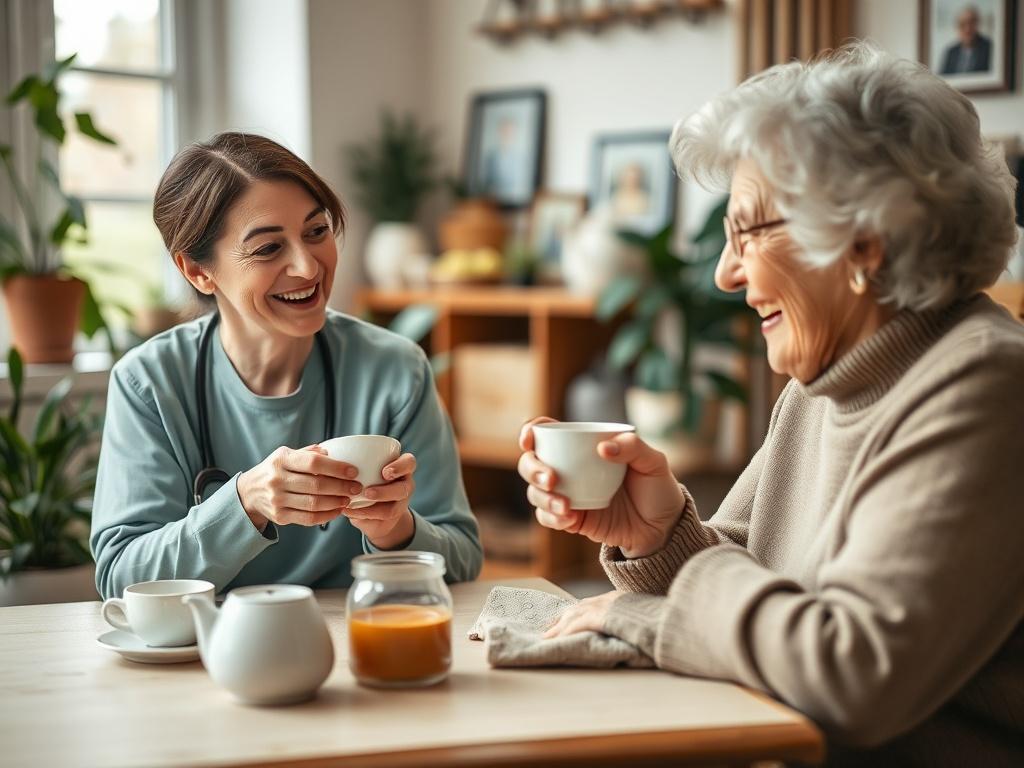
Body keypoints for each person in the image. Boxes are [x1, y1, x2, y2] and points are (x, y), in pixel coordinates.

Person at [518, 43, 1023, 765]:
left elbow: (852, 673)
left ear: (863, 244)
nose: (726, 273)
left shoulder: (986, 387)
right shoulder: (826, 386)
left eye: (749, 231)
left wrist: (644, 618)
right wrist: (660, 536)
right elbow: (757, 595)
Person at [91, 133, 482, 600]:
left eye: (316, 232)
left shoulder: (396, 370)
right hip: (207, 656)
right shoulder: (149, 383)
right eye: (268, 249)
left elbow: (462, 557)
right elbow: (120, 578)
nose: (307, 267)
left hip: (356, 644)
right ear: (197, 271)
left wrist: (395, 529)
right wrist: (244, 504)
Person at [940, 4, 992, 75]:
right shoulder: (951, 52)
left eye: (971, 23)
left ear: (978, 23)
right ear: (957, 27)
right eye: (962, 24)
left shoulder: (989, 47)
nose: (967, 29)